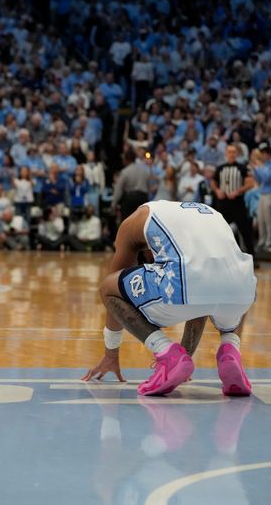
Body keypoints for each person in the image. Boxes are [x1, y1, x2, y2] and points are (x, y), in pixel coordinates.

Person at [82, 200, 257, 396]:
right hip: (242, 289)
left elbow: (113, 286)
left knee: (108, 287)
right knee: (215, 286)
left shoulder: (131, 224)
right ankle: (230, 349)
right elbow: (199, 299)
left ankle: (165, 351)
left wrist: (111, 353)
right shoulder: (206, 212)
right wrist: (185, 358)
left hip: (188, 284)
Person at [212, 144, 256, 261]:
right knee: (219, 229)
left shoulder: (242, 168)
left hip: (237, 203)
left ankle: (252, 257)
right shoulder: (220, 168)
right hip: (223, 203)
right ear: (226, 154)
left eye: (233, 152)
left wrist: (238, 191)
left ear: (236, 154)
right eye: (229, 152)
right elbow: (213, 181)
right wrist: (217, 190)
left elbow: (250, 183)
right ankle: (219, 256)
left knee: (245, 230)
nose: (231, 154)